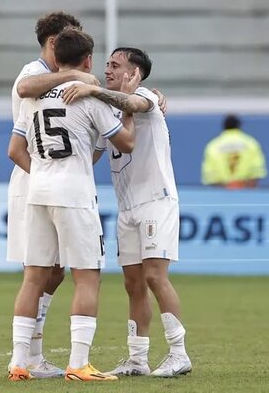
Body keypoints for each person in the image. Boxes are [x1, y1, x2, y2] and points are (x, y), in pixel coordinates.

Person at [6, 28, 136, 382]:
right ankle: (78, 363)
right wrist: (126, 107)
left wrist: (46, 171)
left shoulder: (32, 97)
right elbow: (126, 143)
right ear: (88, 60)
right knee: (86, 276)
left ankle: (19, 363)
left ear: (54, 55)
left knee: (33, 278)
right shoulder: (87, 97)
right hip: (74, 193)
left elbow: (14, 150)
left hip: (38, 190)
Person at [62, 47, 192, 377]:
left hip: (156, 201)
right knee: (133, 283)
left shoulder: (146, 97)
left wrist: (92, 89)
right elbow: (93, 154)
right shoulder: (109, 110)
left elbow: (133, 103)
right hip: (127, 208)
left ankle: (179, 353)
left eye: (115, 65)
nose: (107, 69)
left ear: (134, 73)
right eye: (106, 64)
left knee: (154, 276)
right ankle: (138, 357)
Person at [6, 11, 99, 379]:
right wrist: (75, 74)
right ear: (53, 42)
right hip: (37, 181)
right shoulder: (33, 73)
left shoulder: (54, 80)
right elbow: (25, 92)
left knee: (51, 272)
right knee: (42, 271)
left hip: (45, 181)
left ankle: (30, 355)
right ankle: (30, 355)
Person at [201, 114, 267, 189]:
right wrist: (242, 186)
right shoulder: (251, 143)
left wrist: (227, 187)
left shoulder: (213, 146)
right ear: (239, 126)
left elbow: (210, 176)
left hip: (221, 196)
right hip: (246, 194)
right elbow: (257, 172)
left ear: (224, 126)